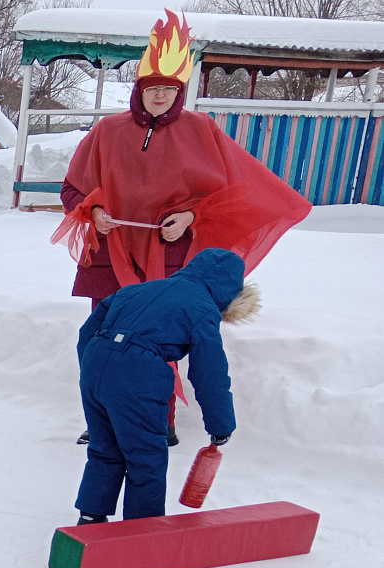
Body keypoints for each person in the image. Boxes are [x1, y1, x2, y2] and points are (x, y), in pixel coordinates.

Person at [56, 11, 308, 446]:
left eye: (169, 90)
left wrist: (190, 217)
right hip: (111, 253)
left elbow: (229, 192)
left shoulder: (201, 129)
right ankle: (103, 417)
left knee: (157, 340)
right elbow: (73, 189)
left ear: (180, 91)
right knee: (102, 337)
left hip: (170, 255)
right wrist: (93, 213)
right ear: (139, 89)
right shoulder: (107, 131)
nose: (160, 96)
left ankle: (160, 420)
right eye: (152, 88)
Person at [75, 249, 258, 524]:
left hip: (96, 363)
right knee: (146, 456)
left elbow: (86, 333)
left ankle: (90, 519)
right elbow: (209, 373)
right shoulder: (203, 309)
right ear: (230, 287)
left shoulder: (140, 289)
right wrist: (221, 425)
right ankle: (142, 531)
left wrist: (98, 374)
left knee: (105, 447)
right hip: (138, 373)